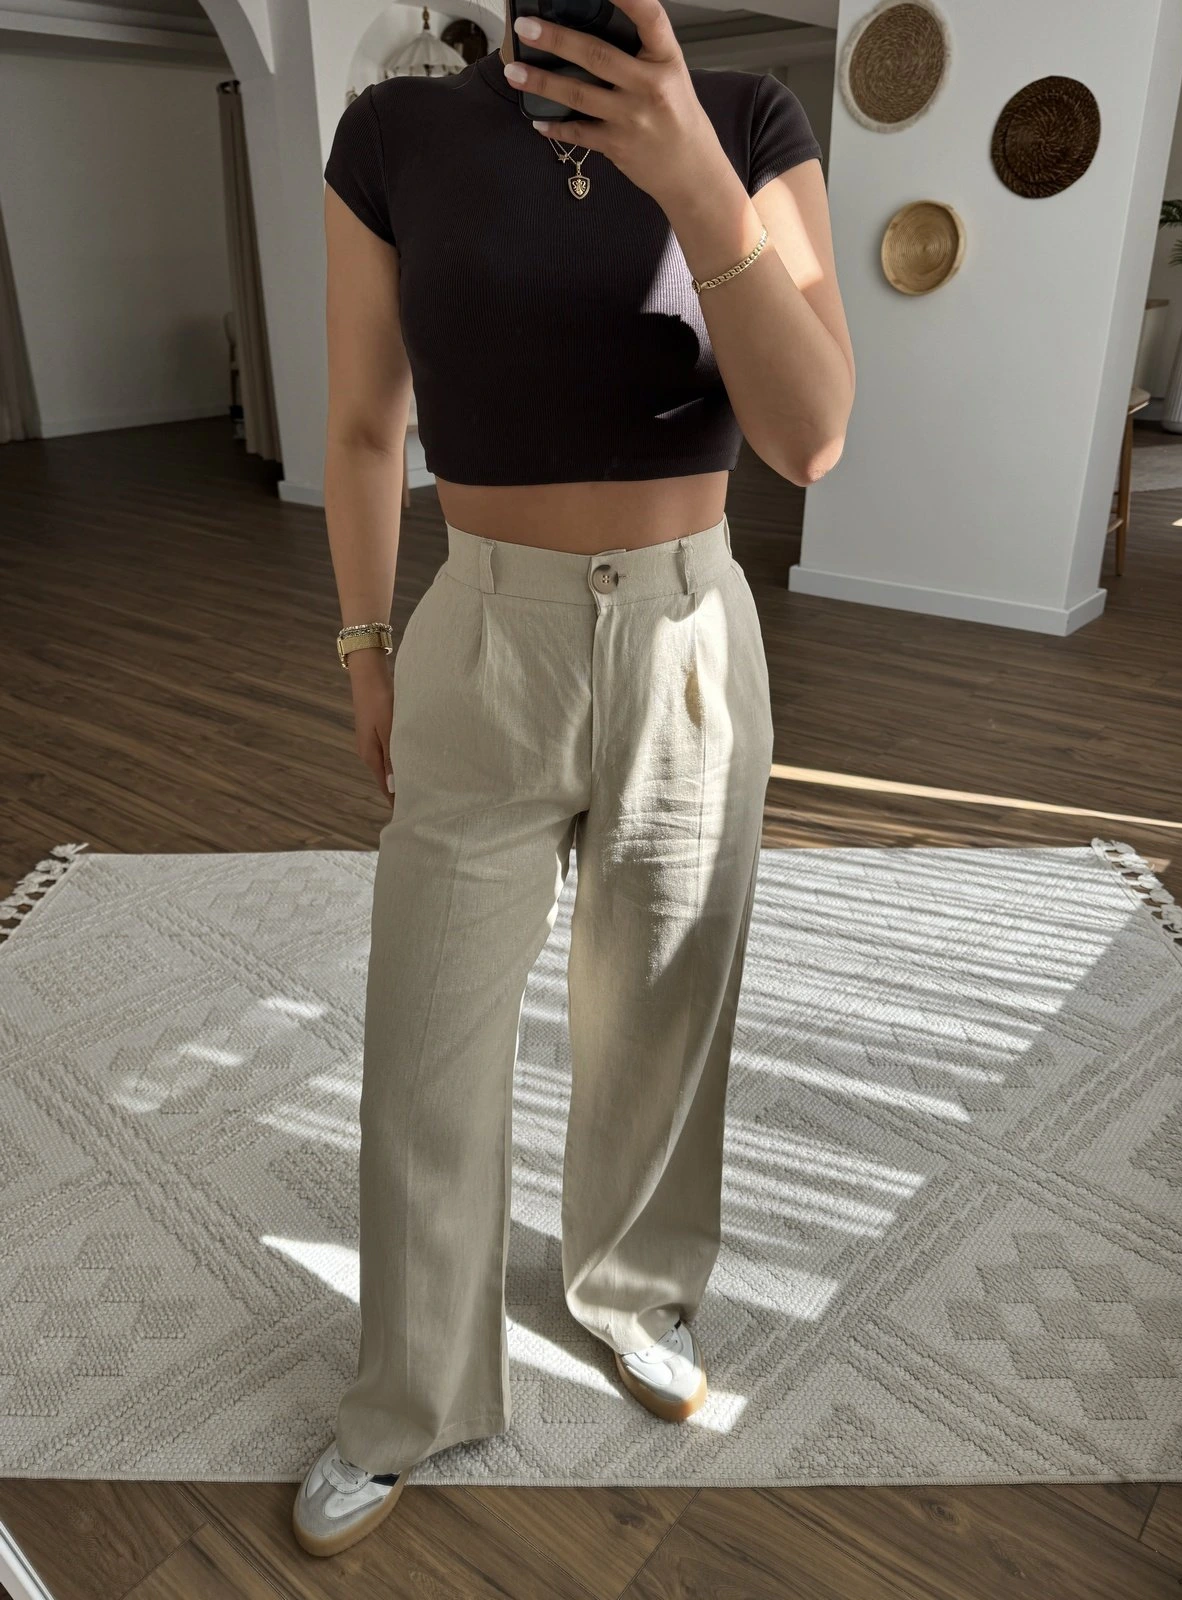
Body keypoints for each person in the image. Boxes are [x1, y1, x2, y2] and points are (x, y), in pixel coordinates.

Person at [293, 0, 854, 1559]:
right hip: (482, 638)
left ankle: (633, 1289)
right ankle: (411, 1391)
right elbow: (362, 426)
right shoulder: (395, 136)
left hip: (690, 638)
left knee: (660, 1008)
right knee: (426, 1041)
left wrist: (695, 181)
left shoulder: (749, 121)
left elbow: (812, 437)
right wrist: (363, 645)